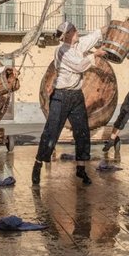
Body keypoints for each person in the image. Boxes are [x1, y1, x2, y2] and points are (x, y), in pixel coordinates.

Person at [32, 21, 107, 186]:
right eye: (74, 30)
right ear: (67, 35)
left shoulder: (77, 46)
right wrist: (95, 55)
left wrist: (107, 28)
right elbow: (80, 66)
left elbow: (93, 37)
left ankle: (81, 169)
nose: (77, 31)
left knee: (82, 132)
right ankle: (38, 163)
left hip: (76, 96)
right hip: (61, 96)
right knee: (51, 132)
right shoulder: (61, 51)